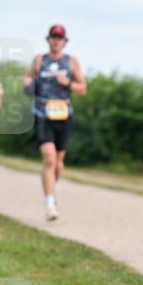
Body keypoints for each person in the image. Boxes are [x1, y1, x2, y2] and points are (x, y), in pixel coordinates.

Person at [23, 25, 87, 220]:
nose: (56, 41)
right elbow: (27, 78)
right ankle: (50, 203)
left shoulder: (71, 62)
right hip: (43, 114)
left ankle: (52, 186)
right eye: (53, 37)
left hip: (63, 114)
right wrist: (27, 83)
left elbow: (82, 89)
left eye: (60, 38)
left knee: (58, 163)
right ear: (48, 40)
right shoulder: (39, 60)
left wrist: (67, 83)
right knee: (49, 159)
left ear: (64, 41)